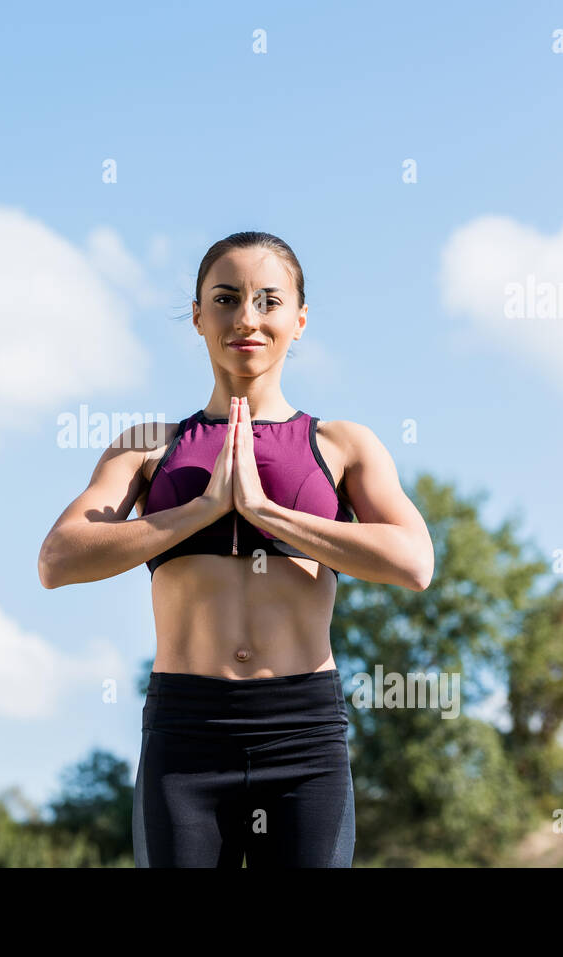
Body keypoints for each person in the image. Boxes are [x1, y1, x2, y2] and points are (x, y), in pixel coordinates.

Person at [37, 231, 434, 867]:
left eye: (268, 301)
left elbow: (414, 561)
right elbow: (59, 560)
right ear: (197, 317)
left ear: (298, 320)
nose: (246, 318)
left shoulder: (340, 444)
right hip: (186, 737)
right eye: (225, 299)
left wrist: (267, 513)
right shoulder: (148, 446)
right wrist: (201, 510)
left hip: (303, 737)